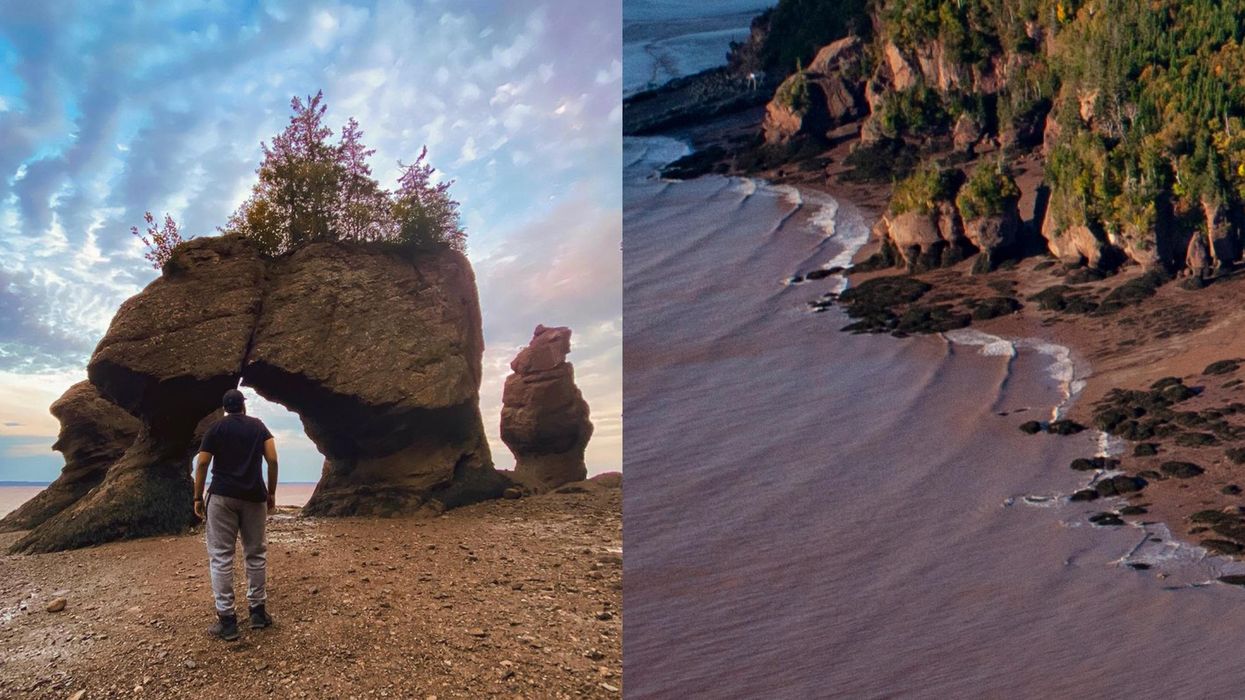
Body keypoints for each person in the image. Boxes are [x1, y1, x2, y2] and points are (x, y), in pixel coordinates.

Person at [192, 388, 279, 641]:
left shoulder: (216, 429)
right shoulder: (259, 427)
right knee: (256, 553)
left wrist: (198, 496)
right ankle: (258, 613)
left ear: (224, 407)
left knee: (221, 557)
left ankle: (227, 622)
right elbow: (272, 460)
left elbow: (202, 463)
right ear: (243, 406)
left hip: (221, 497)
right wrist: (271, 492)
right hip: (254, 496)